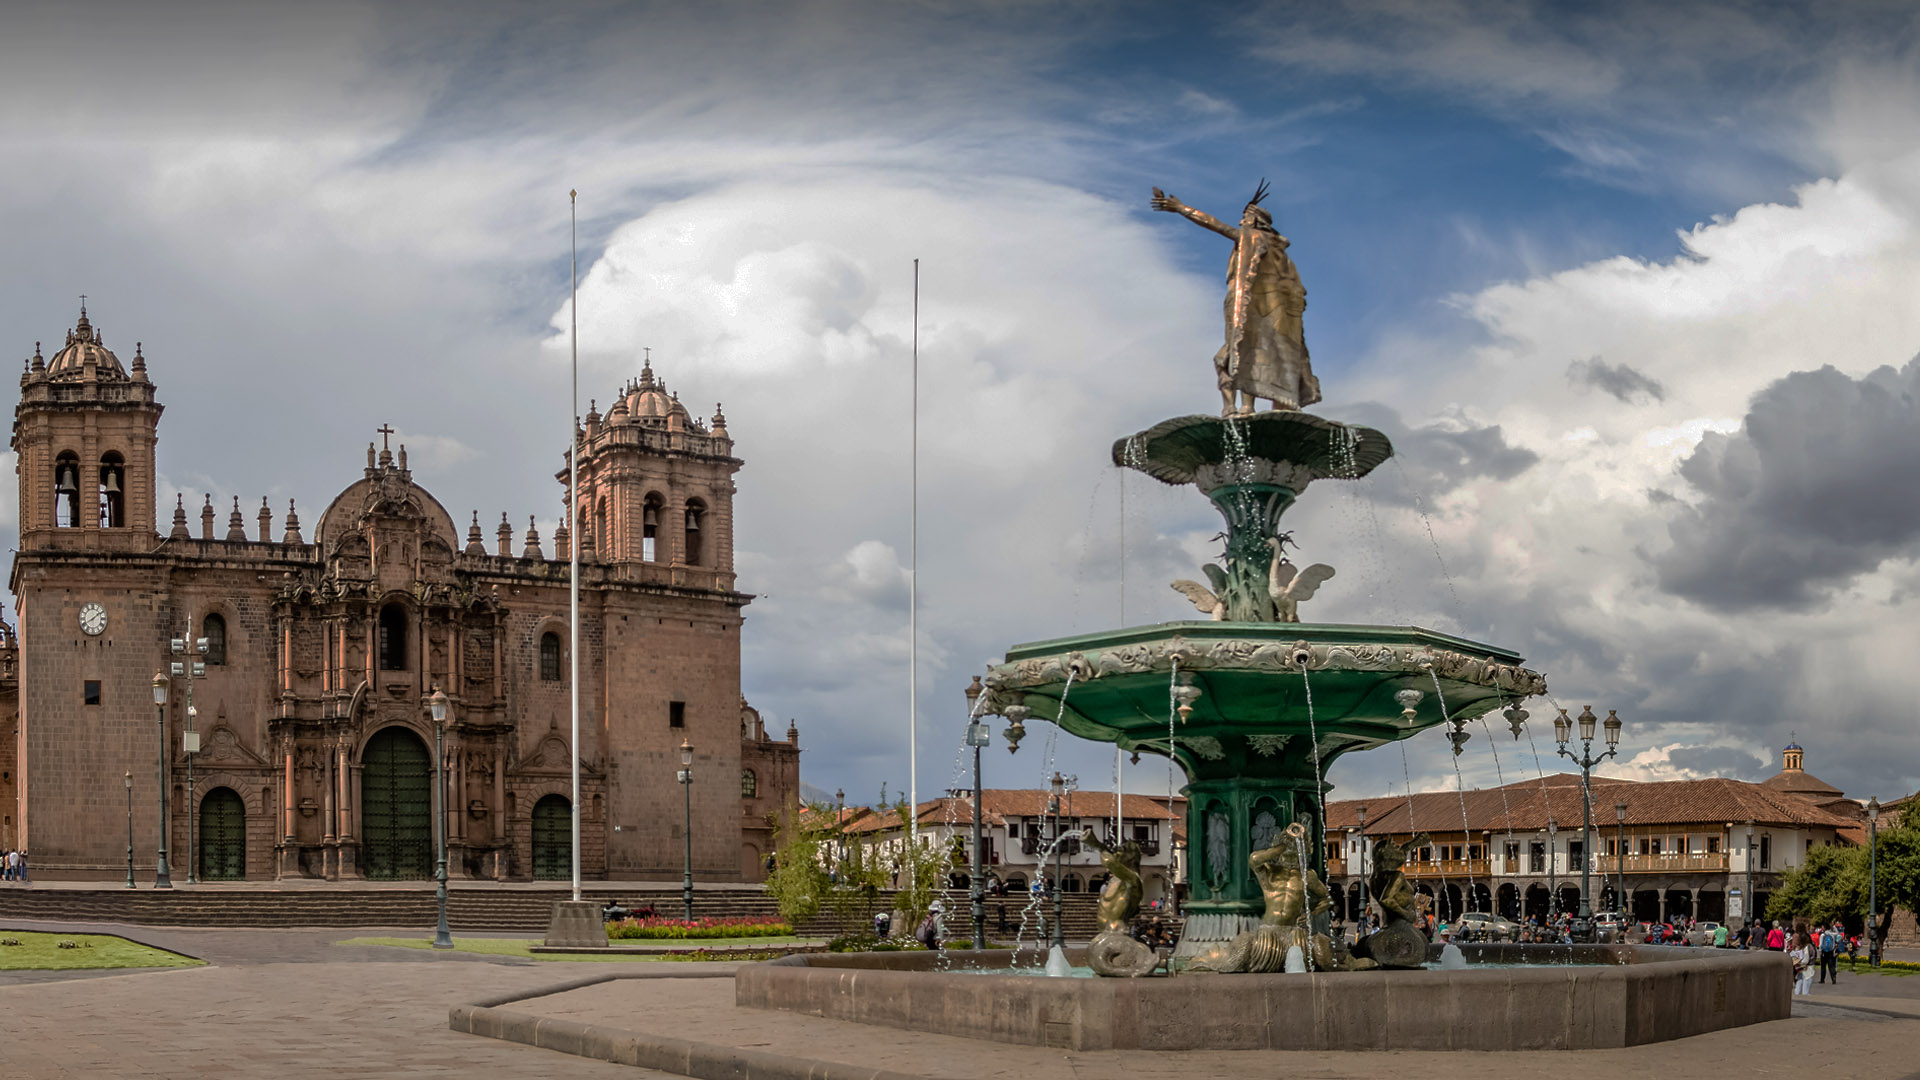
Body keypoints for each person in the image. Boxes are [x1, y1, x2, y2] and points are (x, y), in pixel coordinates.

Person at [1789, 932, 1813, 996]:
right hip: (1805, 968)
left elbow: (1793, 956)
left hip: (1799, 968)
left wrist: (1796, 963)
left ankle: (1798, 995)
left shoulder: (1798, 947)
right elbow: (1806, 959)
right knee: (1806, 984)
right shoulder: (1807, 947)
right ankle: (1805, 996)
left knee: (1799, 982)